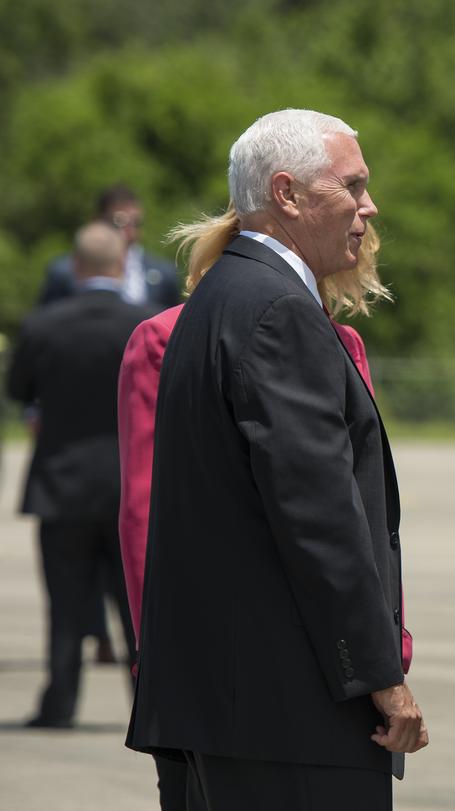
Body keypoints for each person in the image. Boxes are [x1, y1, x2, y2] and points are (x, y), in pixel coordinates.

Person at [125, 109, 426, 810]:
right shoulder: (277, 312)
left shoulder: (217, 298)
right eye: (352, 185)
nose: (369, 207)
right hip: (285, 718)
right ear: (287, 194)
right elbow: (317, 513)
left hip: (219, 711)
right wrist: (381, 676)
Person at [6, 222, 155, 728]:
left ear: (75, 267)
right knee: (138, 603)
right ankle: (152, 703)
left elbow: (19, 388)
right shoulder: (145, 322)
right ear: (121, 265)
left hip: (62, 485)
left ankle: (60, 703)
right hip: (129, 488)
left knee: (65, 605)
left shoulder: (43, 325)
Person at [40, 184, 181, 308]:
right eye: (120, 222)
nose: (129, 232)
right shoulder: (63, 272)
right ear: (96, 221)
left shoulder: (163, 274)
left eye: (136, 223)